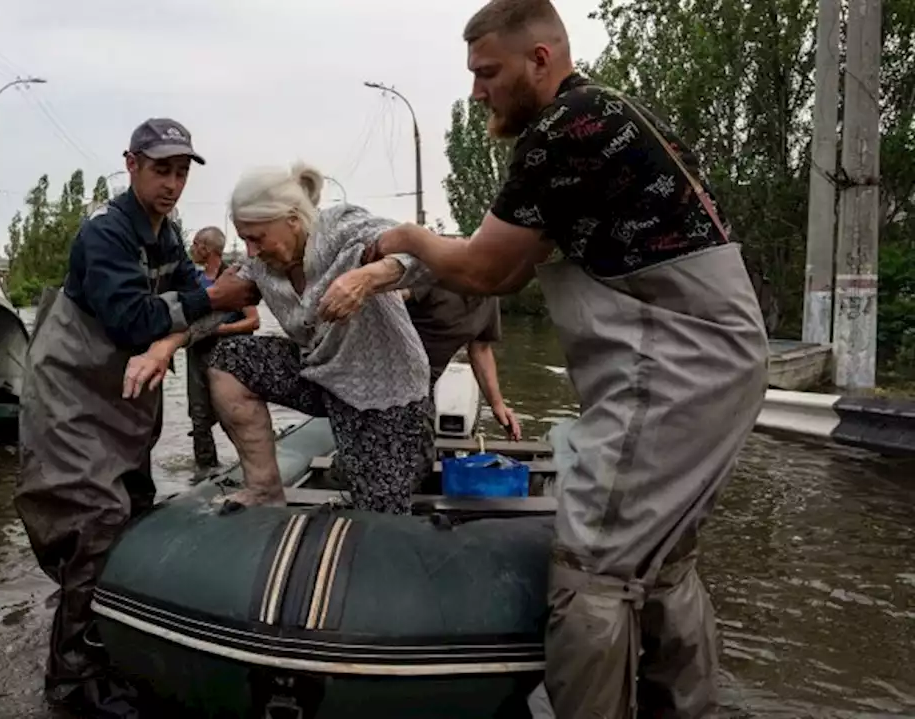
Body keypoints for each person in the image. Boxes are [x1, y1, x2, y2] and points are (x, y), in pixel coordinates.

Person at [339, 1, 770, 715]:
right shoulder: (610, 114)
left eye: (488, 72)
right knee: (661, 559)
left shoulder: (562, 131)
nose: (477, 91)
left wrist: (405, 239)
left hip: (672, 368)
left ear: (540, 59)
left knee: (592, 567)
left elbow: (485, 270)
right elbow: (513, 265)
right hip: (721, 357)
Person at [12, 118, 252, 714]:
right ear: (131, 164)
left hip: (120, 396)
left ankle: (113, 648)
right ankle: (71, 686)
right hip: (70, 395)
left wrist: (196, 313)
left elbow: (182, 310)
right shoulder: (105, 232)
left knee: (134, 514)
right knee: (93, 522)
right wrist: (208, 301)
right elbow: (130, 319)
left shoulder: (166, 235)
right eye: (160, 169)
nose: (171, 183)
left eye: (180, 172)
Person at [168, 161, 436, 515]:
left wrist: (367, 277)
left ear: (292, 219)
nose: (249, 251)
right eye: (243, 238)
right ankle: (263, 489)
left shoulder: (340, 227)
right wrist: (164, 349)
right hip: (321, 376)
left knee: (378, 515)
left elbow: (425, 254)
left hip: (385, 392)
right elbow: (214, 308)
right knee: (229, 359)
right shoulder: (261, 266)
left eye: (256, 237)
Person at [401, 284, 521, 441]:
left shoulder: (489, 298)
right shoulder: (434, 273)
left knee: (420, 452)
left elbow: (481, 349)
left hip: (423, 388)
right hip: (384, 378)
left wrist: (497, 404)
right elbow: (389, 295)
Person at [185, 226, 260, 469]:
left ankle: (251, 466)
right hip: (196, 355)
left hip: (227, 355)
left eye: (195, 244)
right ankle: (205, 472)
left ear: (207, 249)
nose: (192, 248)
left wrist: (218, 330)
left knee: (233, 415)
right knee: (198, 418)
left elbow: (253, 320)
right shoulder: (193, 281)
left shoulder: (233, 279)